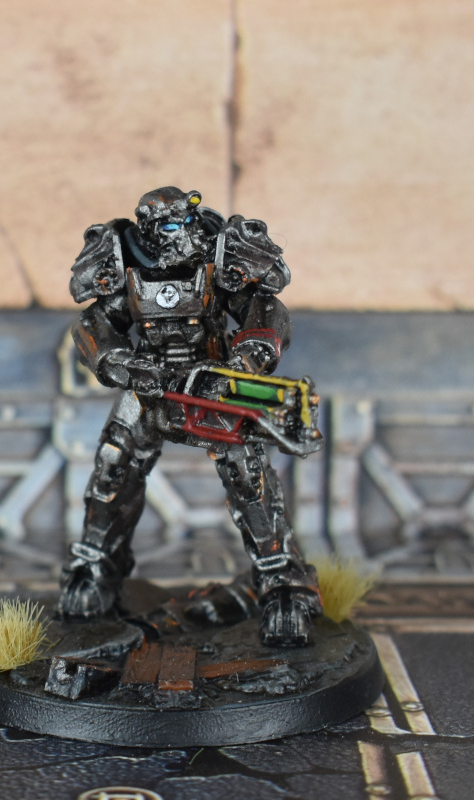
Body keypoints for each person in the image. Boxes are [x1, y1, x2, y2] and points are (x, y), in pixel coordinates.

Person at [57, 187, 322, 646]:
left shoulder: (221, 256)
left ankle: (284, 585)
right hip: (148, 390)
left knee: (248, 477)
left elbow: (264, 311)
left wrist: (249, 357)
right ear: (147, 230)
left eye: (184, 222)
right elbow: (95, 326)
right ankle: (95, 568)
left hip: (211, 388)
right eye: (166, 226)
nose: (178, 234)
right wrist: (122, 363)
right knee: (113, 466)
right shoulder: (127, 262)